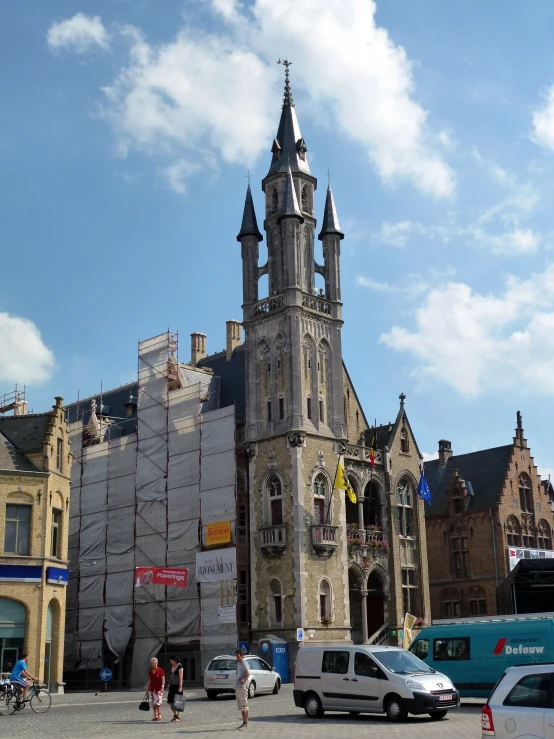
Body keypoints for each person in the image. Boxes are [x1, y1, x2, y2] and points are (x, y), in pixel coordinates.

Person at [145, 657, 165, 721]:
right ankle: (155, 715)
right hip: (152, 688)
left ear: (157, 663)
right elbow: (150, 680)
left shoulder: (160, 670)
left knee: (158, 702)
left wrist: (162, 687)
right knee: (153, 703)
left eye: (154, 663)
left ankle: (159, 713)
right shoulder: (150, 671)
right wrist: (147, 687)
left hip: (158, 688)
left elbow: (163, 679)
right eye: (152, 663)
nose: (153, 664)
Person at [235, 649, 250, 730]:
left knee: (244, 704)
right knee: (240, 705)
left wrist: (244, 679)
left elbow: (247, 672)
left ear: (241, 655)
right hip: (238, 686)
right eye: (236, 655)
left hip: (242, 687)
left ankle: (245, 721)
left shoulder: (244, 663)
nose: (236, 657)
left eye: (238, 656)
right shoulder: (238, 663)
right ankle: (244, 721)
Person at [167, 655, 183, 723]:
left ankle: (178, 717)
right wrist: (169, 683)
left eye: (171, 661)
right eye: (170, 661)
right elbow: (171, 676)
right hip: (172, 686)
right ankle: (175, 715)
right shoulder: (172, 667)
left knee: (178, 701)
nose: (170, 662)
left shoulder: (180, 666)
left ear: (174, 660)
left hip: (177, 685)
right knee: (170, 700)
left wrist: (180, 686)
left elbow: (180, 677)